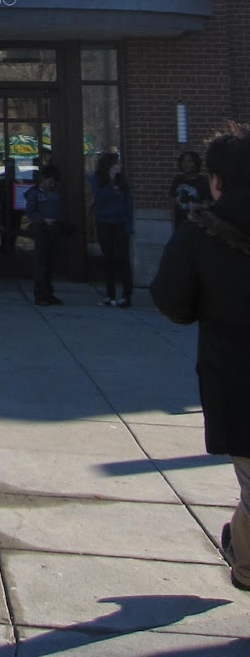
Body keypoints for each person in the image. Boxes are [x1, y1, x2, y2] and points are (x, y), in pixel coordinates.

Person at [150, 125, 250, 593]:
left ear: (216, 180)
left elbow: (173, 303)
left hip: (236, 381)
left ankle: (247, 567)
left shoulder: (201, 235)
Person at [91, 150, 134, 308]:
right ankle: (110, 294)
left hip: (120, 223)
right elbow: (100, 198)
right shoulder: (98, 179)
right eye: (114, 163)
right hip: (104, 222)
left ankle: (126, 295)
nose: (116, 167)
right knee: (108, 258)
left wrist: (129, 225)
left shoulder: (123, 181)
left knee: (123, 259)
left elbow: (128, 203)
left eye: (118, 164)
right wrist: (110, 182)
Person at [24, 161, 66, 305]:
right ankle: (40, 295)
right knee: (41, 264)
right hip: (42, 230)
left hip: (54, 229)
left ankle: (49, 293)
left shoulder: (55, 193)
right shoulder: (34, 193)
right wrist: (43, 219)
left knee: (51, 263)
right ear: (43, 179)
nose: (52, 185)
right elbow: (30, 211)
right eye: (50, 182)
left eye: (54, 182)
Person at [170, 149, 210, 231]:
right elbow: (173, 204)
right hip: (180, 224)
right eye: (183, 162)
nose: (186, 164)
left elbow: (208, 204)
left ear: (196, 163)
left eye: (190, 162)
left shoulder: (203, 182)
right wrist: (173, 224)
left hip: (197, 225)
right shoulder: (177, 180)